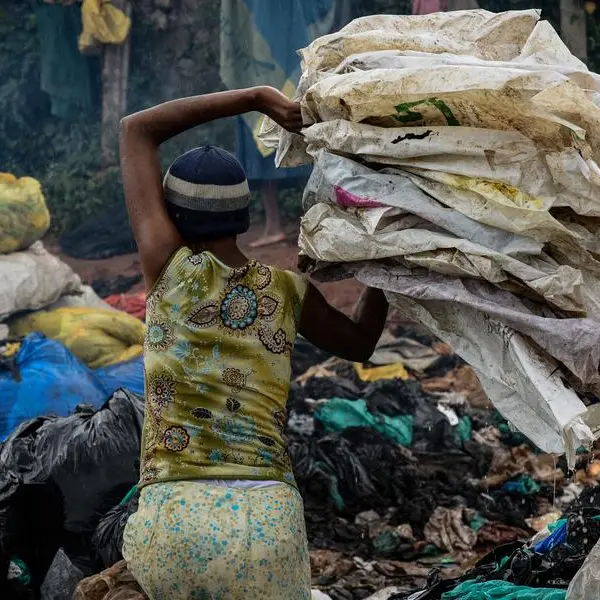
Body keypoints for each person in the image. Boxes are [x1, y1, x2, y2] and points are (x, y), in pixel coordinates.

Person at [118, 86, 389, 600]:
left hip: (177, 519)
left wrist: (255, 98)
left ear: (172, 218)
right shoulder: (289, 291)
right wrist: (386, 260)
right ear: (244, 217)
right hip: (270, 525)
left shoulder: (170, 269)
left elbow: (137, 129)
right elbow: (360, 343)